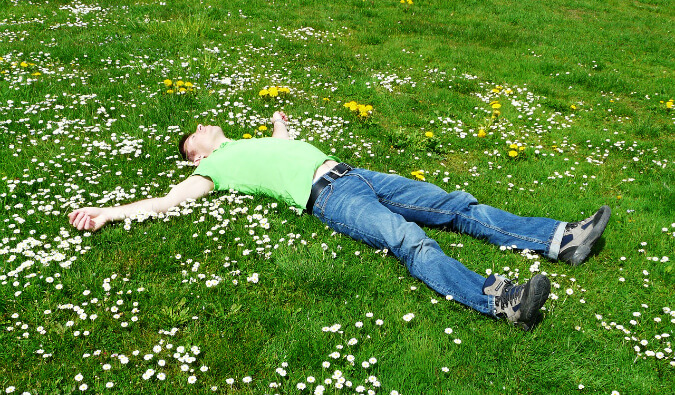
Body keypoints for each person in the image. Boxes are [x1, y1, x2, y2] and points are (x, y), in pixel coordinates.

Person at [68, 111, 611, 331]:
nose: (206, 126)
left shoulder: (249, 142)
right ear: (198, 157)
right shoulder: (215, 171)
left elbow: (282, 146)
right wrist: (109, 212)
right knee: (408, 239)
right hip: (327, 197)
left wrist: (280, 125)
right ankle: (499, 300)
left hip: (356, 173)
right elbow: (165, 203)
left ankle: (560, 238)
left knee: (455, 204)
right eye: (198, 135)